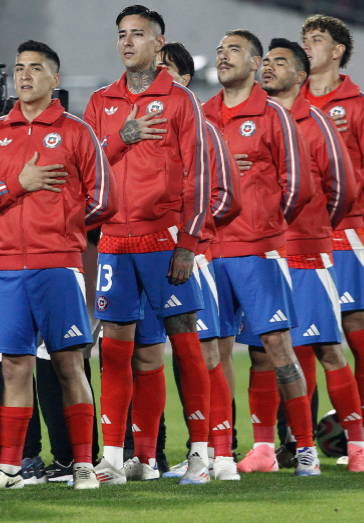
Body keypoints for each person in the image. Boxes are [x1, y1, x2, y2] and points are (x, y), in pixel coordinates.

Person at [0, 40, 117, 490]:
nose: (24, 75)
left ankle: (80, 464)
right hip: (8, 269)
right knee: (14, 368)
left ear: (55, 79)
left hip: (58, 265)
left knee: (68, 364)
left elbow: (104, 199)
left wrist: (63, 225)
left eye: (36, 68)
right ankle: (12, 466)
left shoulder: (76, 131)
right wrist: (18, 185)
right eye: (19, 68)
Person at [82, 5, 213, 485]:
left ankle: (200, 453)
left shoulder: (180, 102)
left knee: (184, 343)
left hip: (164, 242)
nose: (128, 42)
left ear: (160, 43)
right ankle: (118, 460)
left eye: (138, 34)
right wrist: (123, 136)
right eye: (122, 34)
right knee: (117, 352)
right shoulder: (101, 101)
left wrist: (189, 244)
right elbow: (89, 167)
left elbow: (199, 176)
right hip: (115, 241)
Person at [248, 37, 364, 474]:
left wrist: (313, 229)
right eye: (266, 61)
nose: (269, 68)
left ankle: (358, 447)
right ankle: (264, 448)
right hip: (259, 255)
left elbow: (345, 191)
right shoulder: (251, 119)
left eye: (280, 62)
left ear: (300, 76)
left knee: (326, 348)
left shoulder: (316, 123)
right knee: (262, 353)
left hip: (304, 253)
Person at [202, 29, 316, 479]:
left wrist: (266, 225)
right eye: (219, 49)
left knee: (275, 346)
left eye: (233, 50)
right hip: (211, 251)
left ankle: (304, 449)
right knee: (213, 350)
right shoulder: (203, 116)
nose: (223, 56)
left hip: (257, 250)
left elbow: (300, 185)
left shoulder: (272, 115)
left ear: (255, 64)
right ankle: (222, 453)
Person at [299, 15, 364, 465]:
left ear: (338, 50)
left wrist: (344, 211)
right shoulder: (287, 102)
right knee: (298, 337)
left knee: (360, 333)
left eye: (316, 40)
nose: (308, 46)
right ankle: (296, 441)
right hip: (298, 239)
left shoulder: (358, 104)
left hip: (345, 235)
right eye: (304, 39)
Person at [154, 43, 243, 482]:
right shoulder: (143, 129)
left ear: (185, 81)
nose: (157, 79)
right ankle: (192, 451)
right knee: (160, 353)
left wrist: (194, 231)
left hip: (192, 255)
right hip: (145, 253)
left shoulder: (203, 129)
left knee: (206, 351)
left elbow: (226, 195)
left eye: (166, 71)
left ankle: (221, 455)